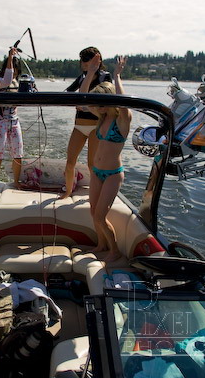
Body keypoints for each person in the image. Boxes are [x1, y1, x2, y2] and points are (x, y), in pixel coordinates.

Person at [81, 55, 131, 262]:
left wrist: (117, 76)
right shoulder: (101, 116)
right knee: (93, 212)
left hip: (112, 174)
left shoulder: (122, 120)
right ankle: (101, 245)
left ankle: (115, 250)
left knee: (100, 216)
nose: (97, 107)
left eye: (101, 103)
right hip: (96, 172)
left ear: (110, 100)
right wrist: (91, 73)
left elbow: (124, 105)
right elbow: (82, 99)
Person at [60, 47, 112, 199]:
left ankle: (95, 193)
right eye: (82, 60)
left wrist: (86, 106)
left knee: (92, 164)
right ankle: (68, 192)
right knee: (70, 162)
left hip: (96, 126)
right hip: (79, 125)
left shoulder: (105, 77)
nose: (83, 63)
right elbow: (67, 93)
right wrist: (74, 102)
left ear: (97, 60)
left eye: (86, 60)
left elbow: (107, 99)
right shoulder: (82, 77)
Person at [0, 47, 24, 193]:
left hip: (14, 120)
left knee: (18, 153)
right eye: (11, 67)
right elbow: (6, 78)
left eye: (16, 68)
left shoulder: (19, 83)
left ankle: (16, 181)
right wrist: (10, 56)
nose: (13, 71)